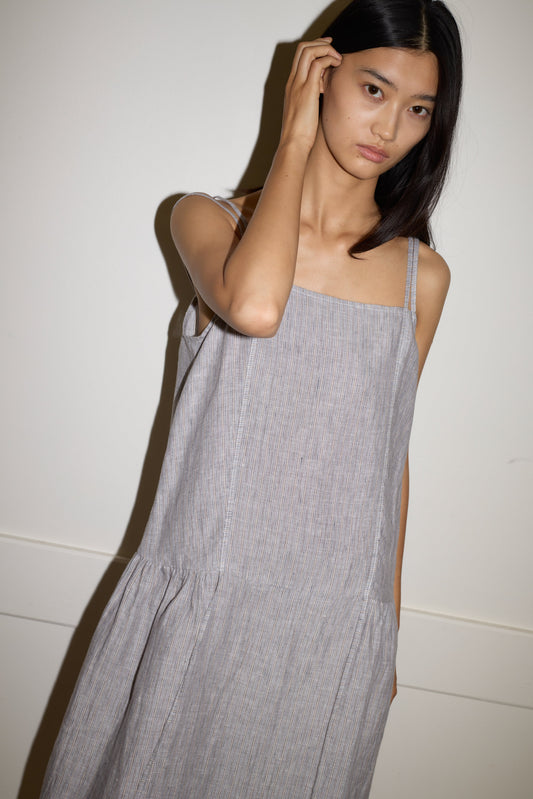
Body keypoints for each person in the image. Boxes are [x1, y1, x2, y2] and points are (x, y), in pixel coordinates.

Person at [40, 1, 462, 797]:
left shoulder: (422, 278)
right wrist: (294, 139)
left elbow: (386, 461)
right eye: (371, 90)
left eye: (416, 110)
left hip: (331, 629)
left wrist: (385, 627)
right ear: (321, 75)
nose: (389, 129)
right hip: (203, 603)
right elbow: (258, 309)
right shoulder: (207, 218)